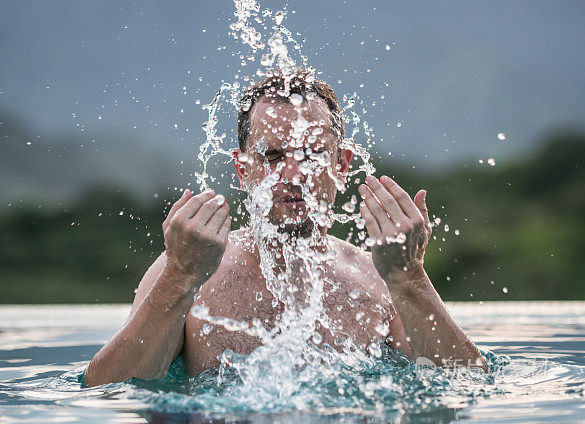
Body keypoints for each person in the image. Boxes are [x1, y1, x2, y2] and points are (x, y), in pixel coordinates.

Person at [83, 69, 485, 387]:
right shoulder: (190, 273)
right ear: (243, 170)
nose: (292, 174)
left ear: (341, 165)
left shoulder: (378, 281)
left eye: (312, 154)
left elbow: (466, 385)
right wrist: (179, 277)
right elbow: (108, 390)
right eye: (273, 156)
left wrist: (408, 276)